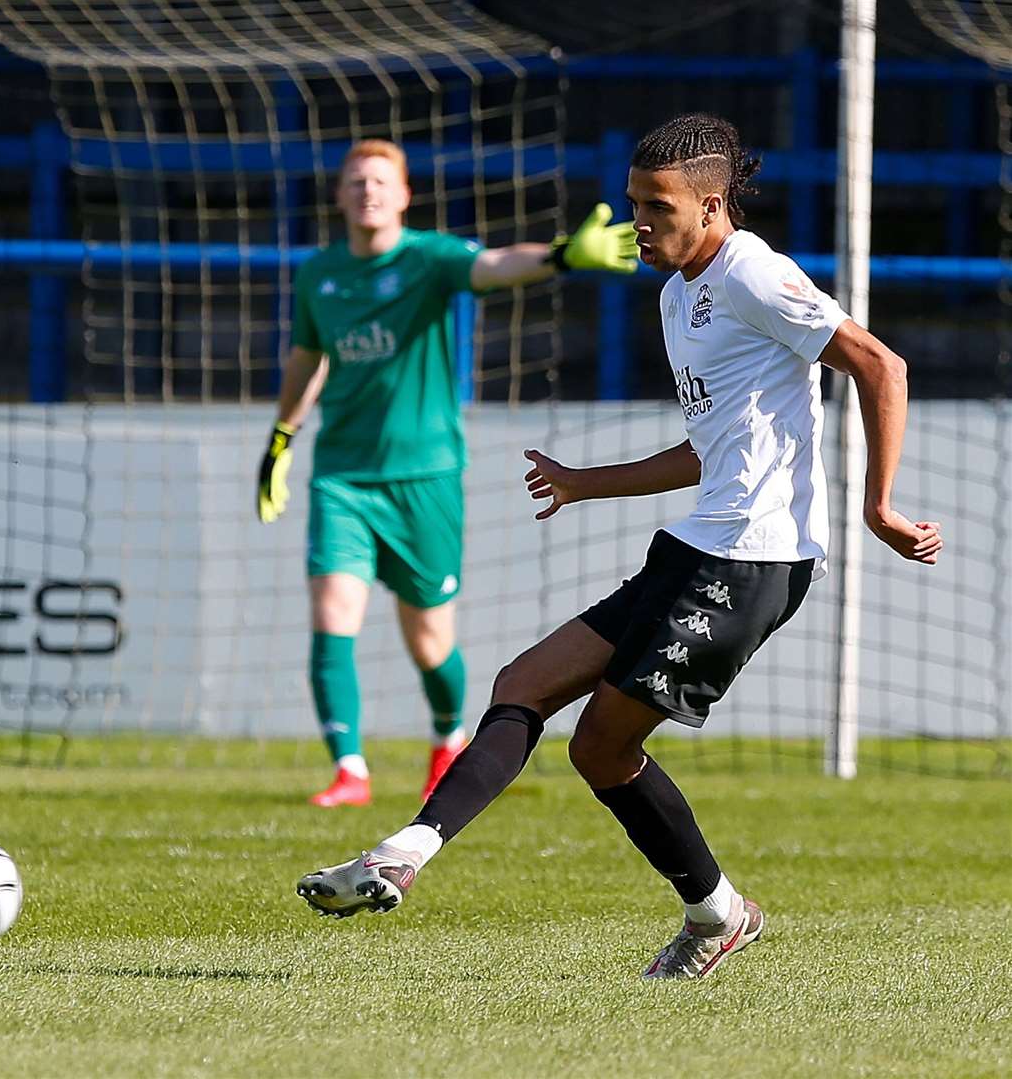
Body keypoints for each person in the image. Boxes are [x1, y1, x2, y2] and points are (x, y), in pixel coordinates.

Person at [296, 114, 943, 979]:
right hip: (694, 545)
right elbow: (707, 447)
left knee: (600, 746)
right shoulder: (679, 292)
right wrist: (581, 480)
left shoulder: (754, 274)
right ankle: (401, 854)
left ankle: (716, 918)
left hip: (753, 561)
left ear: (710, 206)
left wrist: (878, 506)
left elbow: (877, 363)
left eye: (656, 206)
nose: (638, 222)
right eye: (635, 203)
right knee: (522, 684)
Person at [258, 138, 639, 807]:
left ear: (403, 195)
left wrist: (557, 256)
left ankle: (445, 740)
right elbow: (305, 359)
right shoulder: (318, 273)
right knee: (331, 612)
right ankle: (350, 768)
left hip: (425, 477)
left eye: (379, 180)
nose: (366, 191)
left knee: (429, 638)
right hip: (341, 475)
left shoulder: (429, 259)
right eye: (354, 181)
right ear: (339, 195)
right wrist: (282, 436)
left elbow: (493, 265)